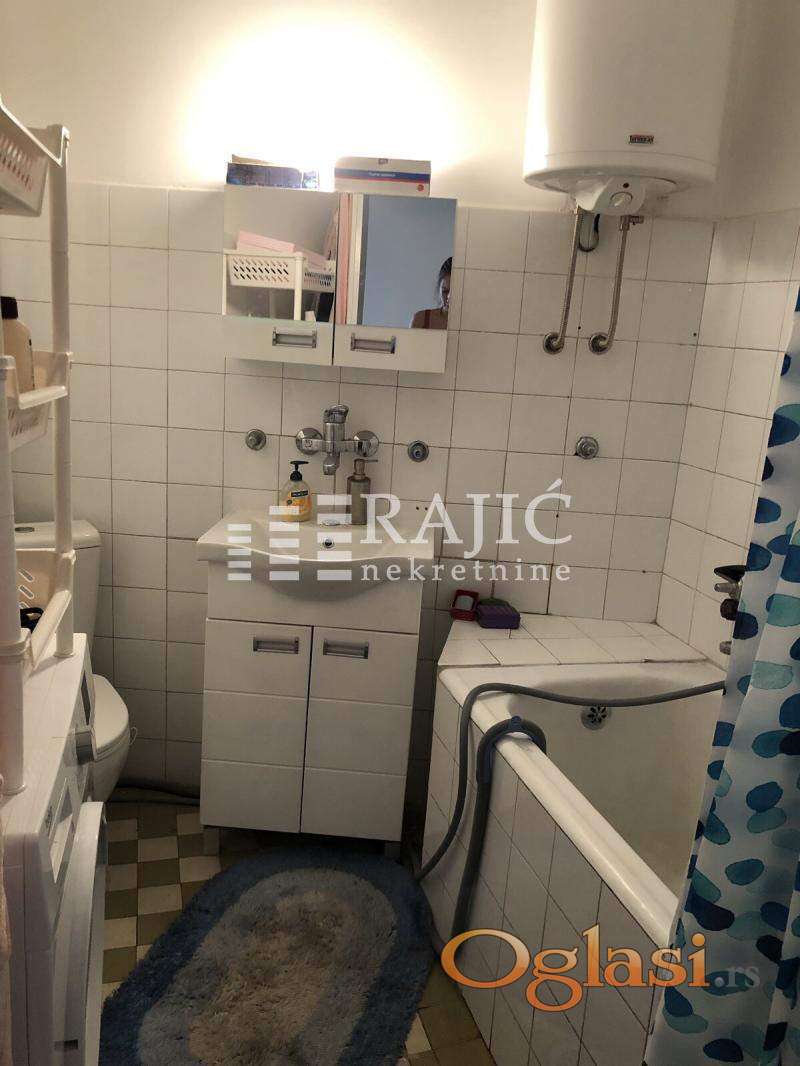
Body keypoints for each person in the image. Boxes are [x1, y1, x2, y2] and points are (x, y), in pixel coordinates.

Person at [411, 257, 451, 329]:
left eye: (454, 293)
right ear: (439, 289)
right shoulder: (421, 319)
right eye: (445, 291)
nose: (449, 297)